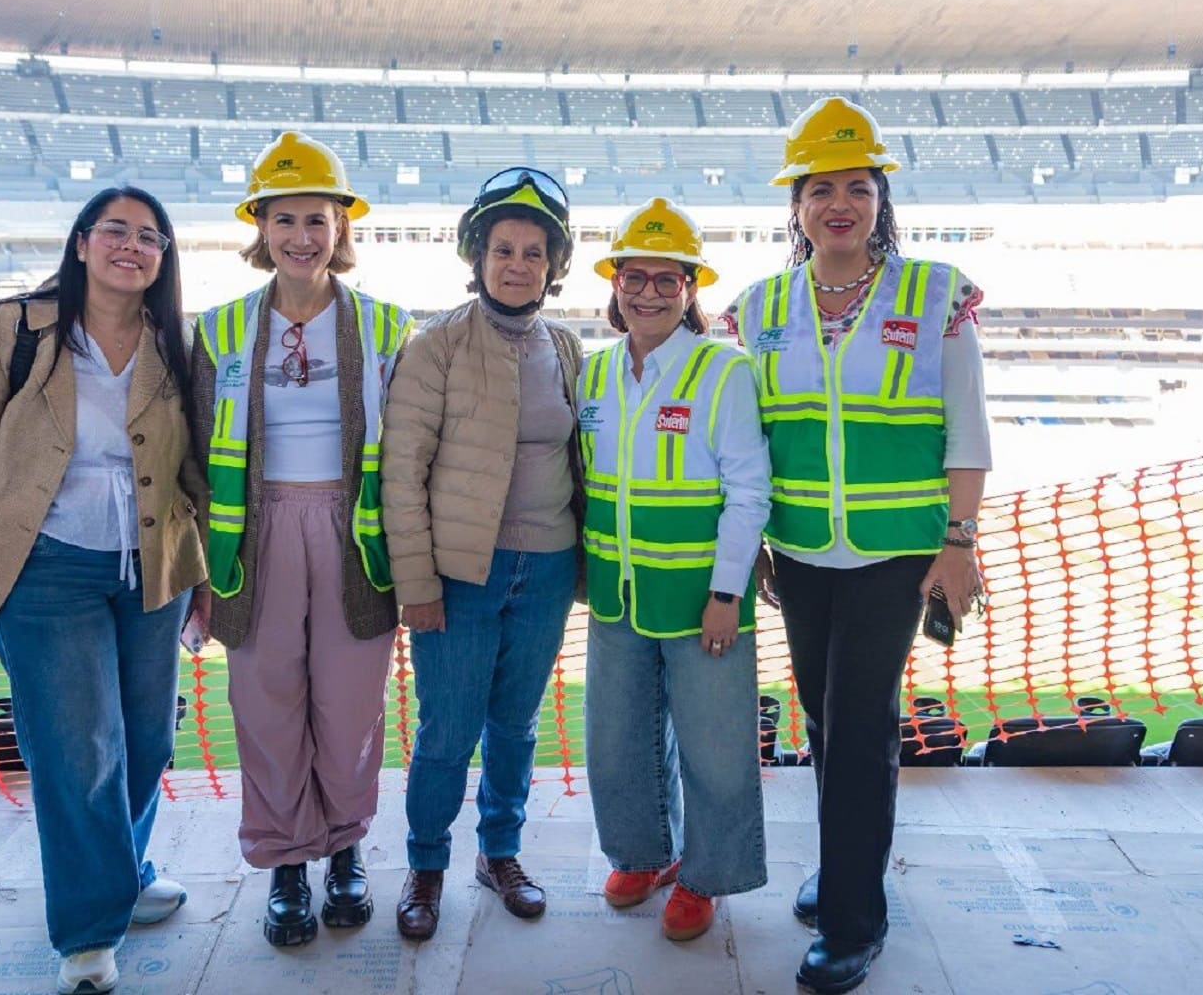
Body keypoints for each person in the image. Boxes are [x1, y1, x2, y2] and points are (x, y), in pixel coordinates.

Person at [725, 97, 992, 995]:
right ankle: (848, 868)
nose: (839, 205)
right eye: (820, 190)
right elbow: (750, 441)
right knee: (825, 718)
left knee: (859, 720)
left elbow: (968, 432)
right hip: (801, 553)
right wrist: (756, 542)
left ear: (881, 200)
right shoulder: (758, 308)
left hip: (897, 555)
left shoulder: (937, 295)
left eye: (857, 188)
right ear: (795, 206)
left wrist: (959, 542)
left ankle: (853, 919)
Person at [0, 185, 205, 995]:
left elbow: (194, 467)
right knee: (78, 751)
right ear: (81, 243)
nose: (132, 246)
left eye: (149, 236)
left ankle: (124, 872)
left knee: (147, 739)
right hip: (44, 566)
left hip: (152, 565)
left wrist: (208, 575)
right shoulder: (8, 329)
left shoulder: (177, 342)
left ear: (163, 257)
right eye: (115, 230)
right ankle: (87, 933)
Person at [187, 131, 412, 948]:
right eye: (284, 219)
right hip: (255, 542)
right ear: (261, 226)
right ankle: (287, 862)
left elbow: (410, 452)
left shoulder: (388, 327)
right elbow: (192, 456)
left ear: (340, 226)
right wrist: (200, 572)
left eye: (317, 218)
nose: (301, 236)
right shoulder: (219, 330)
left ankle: (345, 850)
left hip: (356, 538)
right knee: (265, 704)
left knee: (350, 708)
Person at [381, 167, 583, 940]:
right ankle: (426, 864)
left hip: (548, 569)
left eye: (534, 252)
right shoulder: (435, 345)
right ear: (478, 257)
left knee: (517, 726)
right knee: (446, 732)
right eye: (504, 249)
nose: (518, 265)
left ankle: (500, 854)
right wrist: (417, 584)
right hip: (461, 576)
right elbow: (402, 472)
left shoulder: (564, 346)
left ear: (553, 265)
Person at [579, 199, 771, 942]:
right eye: (635, 277)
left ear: (691, 288)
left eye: (668, 279)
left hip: (702, 600)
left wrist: (727, 592)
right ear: (616, 284)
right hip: (617, 596)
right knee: (616, 741)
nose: (649, 293)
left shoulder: (723, 371)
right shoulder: (595, 372)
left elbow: (748, 492)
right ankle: (643, 855)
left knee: (715, 749)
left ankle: (704, 876)